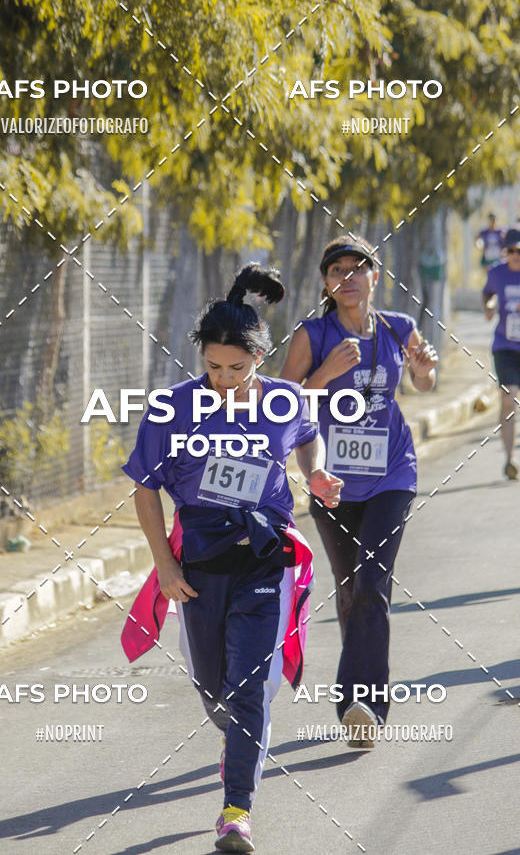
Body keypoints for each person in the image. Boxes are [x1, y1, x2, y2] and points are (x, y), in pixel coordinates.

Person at [120, 263, 343, 852]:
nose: (223, 379)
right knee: (216, 691)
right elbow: (144, 486)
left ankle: (236, 810)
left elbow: (306, 435)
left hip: (266, 556)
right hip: (199, 566)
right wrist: (164, 566)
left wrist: (315, 471)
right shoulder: (173, 408)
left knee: (248, 688)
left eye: (237, 369)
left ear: (259, 360)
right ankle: (235, 735)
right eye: (213, 367)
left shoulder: (285, 401)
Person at [280, 235, 438, 747]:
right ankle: (362, 705)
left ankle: (361, 704)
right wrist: (326, 373)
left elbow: (422, 382)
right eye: (337, 270)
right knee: (351, 590)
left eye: (358, 267)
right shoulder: (313, 333)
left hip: (393, 474)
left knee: (372, 583)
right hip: (332, 479)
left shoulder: (399, 327)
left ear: (376, 275)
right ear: (325, 283)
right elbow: (280, 406)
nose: (348, 277)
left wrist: (423, 371)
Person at [482, 227, 520, 480]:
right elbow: (488, 294)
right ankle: (510, 458)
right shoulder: (497, 272)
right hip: (505, 346)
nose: (516, 255)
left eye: (519, 250)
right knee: (509, 397)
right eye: (511, 250)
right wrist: (488, 306)